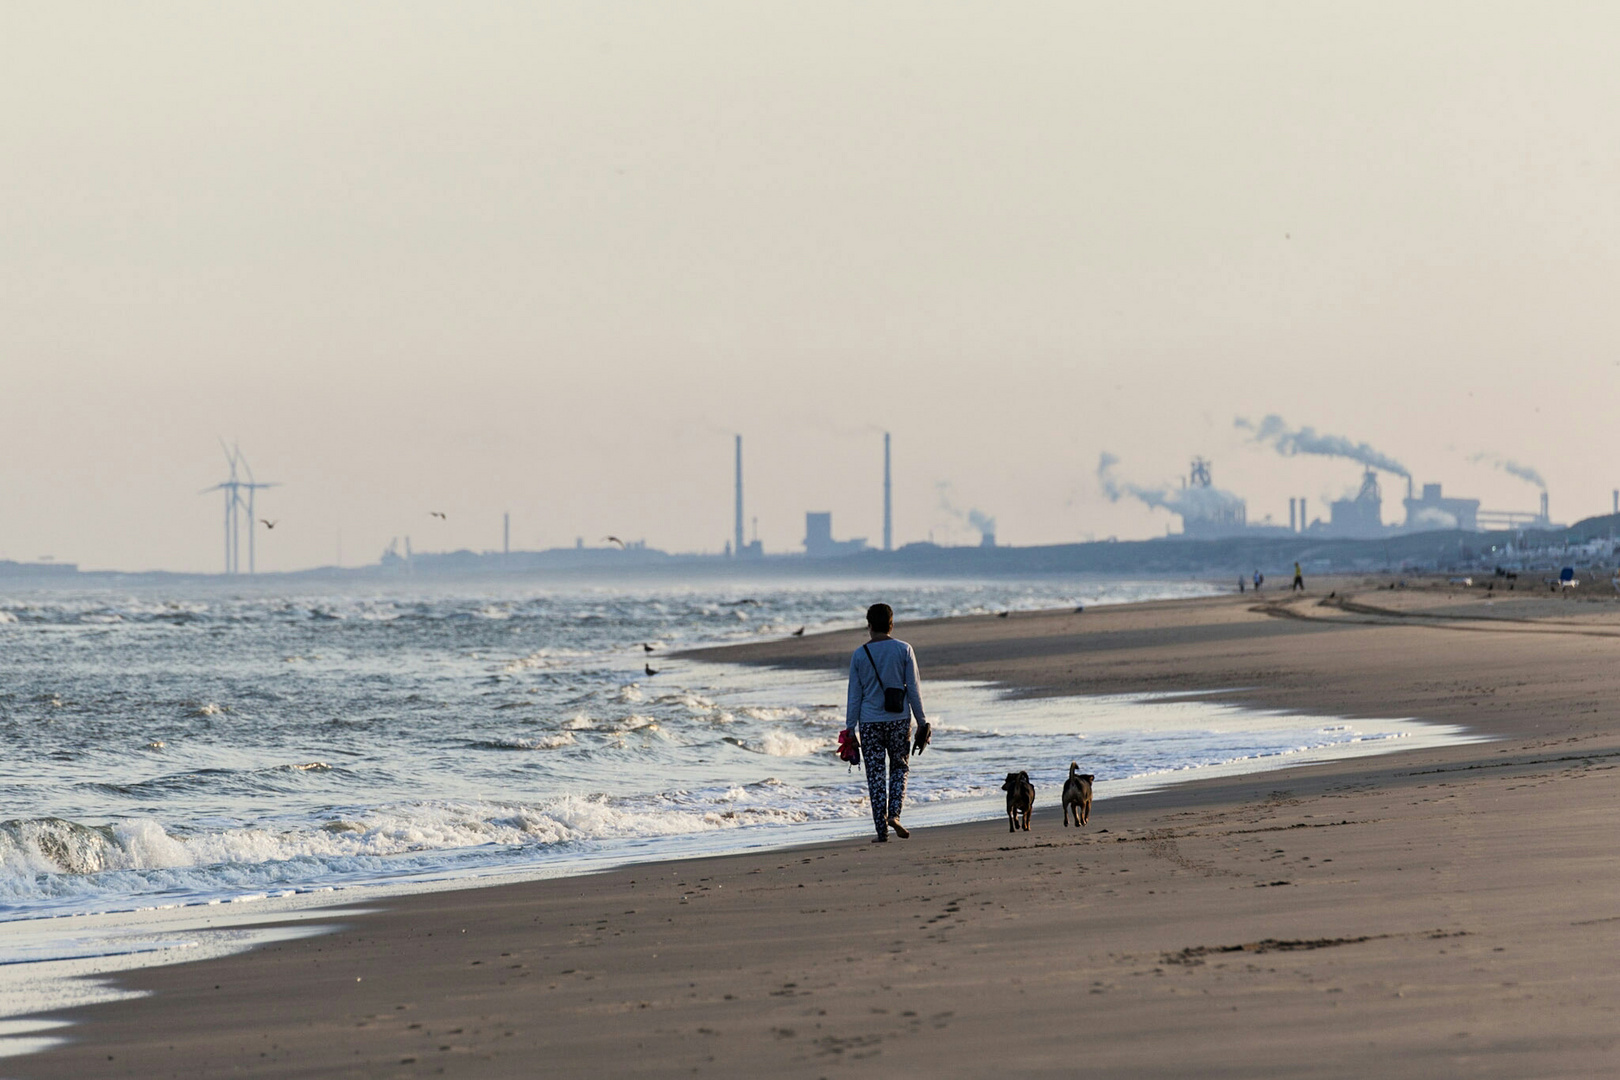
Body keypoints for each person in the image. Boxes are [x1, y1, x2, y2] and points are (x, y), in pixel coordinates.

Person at [846, 603, 927, 843]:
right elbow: (913, 689)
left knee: (875, 774)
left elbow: (854, 695)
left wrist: (850, 728)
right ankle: (895, 815)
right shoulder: (904, 649)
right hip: (899, 720)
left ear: (869, 626)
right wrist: (922, 721)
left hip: (869, 723)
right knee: (900, 767)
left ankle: (881, 832)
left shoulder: (860, 654)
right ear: (892, 625)